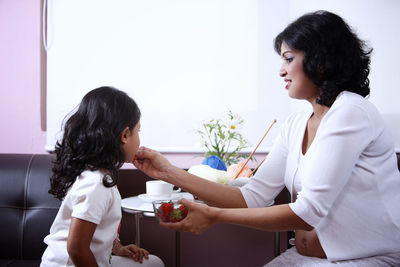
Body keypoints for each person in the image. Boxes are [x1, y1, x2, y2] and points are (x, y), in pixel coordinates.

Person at [132, 11, 400, 266]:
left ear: (321, 61)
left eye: (288, 58)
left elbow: (308, 212)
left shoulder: (351, 111)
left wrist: (214, 216)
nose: (281, 71)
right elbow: (251, 197)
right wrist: (168, 171)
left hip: (370, 260)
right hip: (307, 258)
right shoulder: (295, 126)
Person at [40, 87, 164, 267]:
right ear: (124, 135)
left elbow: (97, 231)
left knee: (154, 263)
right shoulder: (95, 185)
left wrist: (118, 248)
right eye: (138, 131)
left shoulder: (101, 175)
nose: (139, 139)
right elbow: (76, 248)